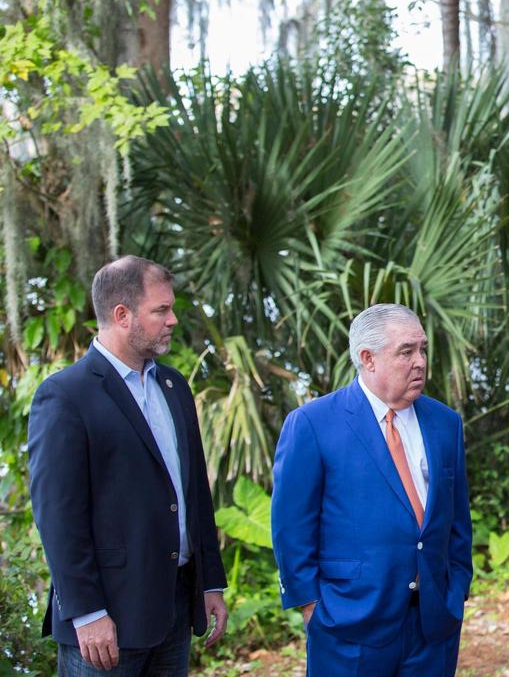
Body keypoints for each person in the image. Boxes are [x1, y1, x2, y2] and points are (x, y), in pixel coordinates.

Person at [28, 256, 228, 675]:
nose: (172, 319)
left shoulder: (174, 387)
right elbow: (58, 516)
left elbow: (192, 493)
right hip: (107, 623)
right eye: (161, 310)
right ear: (122, 315)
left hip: (173, 609)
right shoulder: (65, 395)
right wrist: (86, 612)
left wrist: (210, 582)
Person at [272, 304, 473, 676]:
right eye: (406, 351)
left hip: (432, 624)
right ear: (368, 359)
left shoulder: (445, 423)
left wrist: (457, 585)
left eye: (422, 349)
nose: (420, 362)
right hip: (349, 624)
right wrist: (311, 607)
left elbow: (457, 518)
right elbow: (291, 526)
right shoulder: (313, 424)